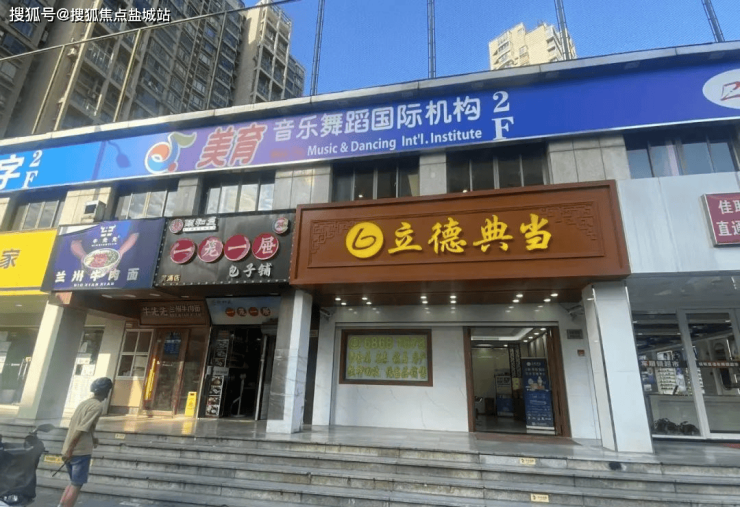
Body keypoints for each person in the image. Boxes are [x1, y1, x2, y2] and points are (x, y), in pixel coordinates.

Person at [58, 377, 112, 507]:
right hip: (79, 451)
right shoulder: (97, 406)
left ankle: (61, 505)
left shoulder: (84, 403)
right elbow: (81, 428)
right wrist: (71, 449)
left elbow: (84, 426)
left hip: (69, 447)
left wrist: (93, 438)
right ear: (106, 392)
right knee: (77, 484)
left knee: (73, 482)